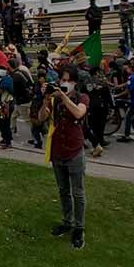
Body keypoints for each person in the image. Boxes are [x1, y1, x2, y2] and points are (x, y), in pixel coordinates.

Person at [38, 65, 89, 249]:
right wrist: (46, 99)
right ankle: (67, 221)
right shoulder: (55, 100)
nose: (64, 83)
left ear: (75, 82)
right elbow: (41, 117)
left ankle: (79, 228)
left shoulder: (82, 98)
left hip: (74, 151)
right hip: (58, 151)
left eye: (68, 80)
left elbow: (78, 112)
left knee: (78, 193)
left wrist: (63, 96)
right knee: (63, 190)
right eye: (62, 79)